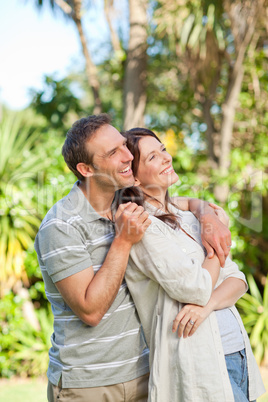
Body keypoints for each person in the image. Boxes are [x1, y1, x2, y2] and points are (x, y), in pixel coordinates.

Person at [34, 114, 234, 402]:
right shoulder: (61, 226)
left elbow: (180, 202)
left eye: (123, 146)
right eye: (113, 152)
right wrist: (123, 241)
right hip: (89, 384)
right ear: (86, 168)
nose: (128, 155)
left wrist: (206, 215)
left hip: (145, 373)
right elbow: (90, 311)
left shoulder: (124, 200)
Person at [121, 127, 265, 402]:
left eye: (163, 149)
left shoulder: (188, 218)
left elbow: (237, 281)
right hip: (199, 362)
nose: (166, 158)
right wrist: (215, 228)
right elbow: (195, 287)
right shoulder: (144, 228)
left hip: (237, 351)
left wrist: (207, 306)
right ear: (135, 177)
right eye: (152, 157)